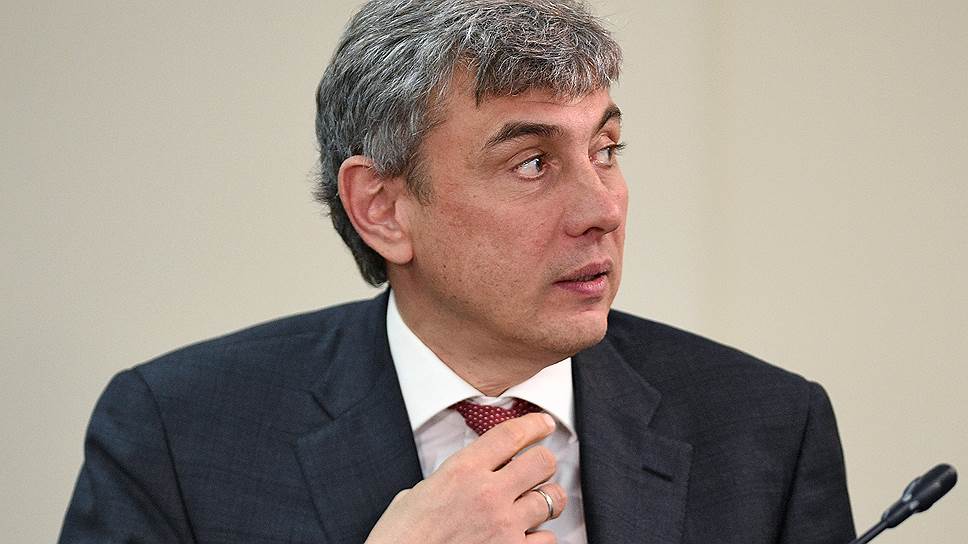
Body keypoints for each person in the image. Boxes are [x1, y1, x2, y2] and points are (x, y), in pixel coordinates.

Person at [59, 1, 855, 543]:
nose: (603, 208)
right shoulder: (179, 433)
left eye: (606, 150)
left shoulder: (764, 430)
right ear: (382, 207)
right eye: (533, 162)